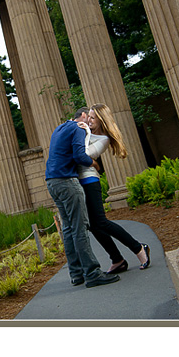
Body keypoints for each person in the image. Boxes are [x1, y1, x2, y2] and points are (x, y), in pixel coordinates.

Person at [45, 107, 120, 288]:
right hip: (67, 181)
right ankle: (93, 273)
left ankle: (76, 274)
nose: (90, 124)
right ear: (83, 117)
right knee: (80, 227)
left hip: (52, 182)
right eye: (90, 119)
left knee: (69, 229)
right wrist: (95, 163)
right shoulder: (79, 128)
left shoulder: (59, 128)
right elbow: (80, 155)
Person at [77, 103, 151, 273]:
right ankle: (117, 260)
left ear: (101, 120)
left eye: (93, 117)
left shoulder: (103, 139)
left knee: (101, 221)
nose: (89, 120)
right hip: (80, 181)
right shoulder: (86, 132)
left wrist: (85, 133)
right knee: (93, 225)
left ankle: (139, 248)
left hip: (90, 181)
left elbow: (86, 154)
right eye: (88, 116)